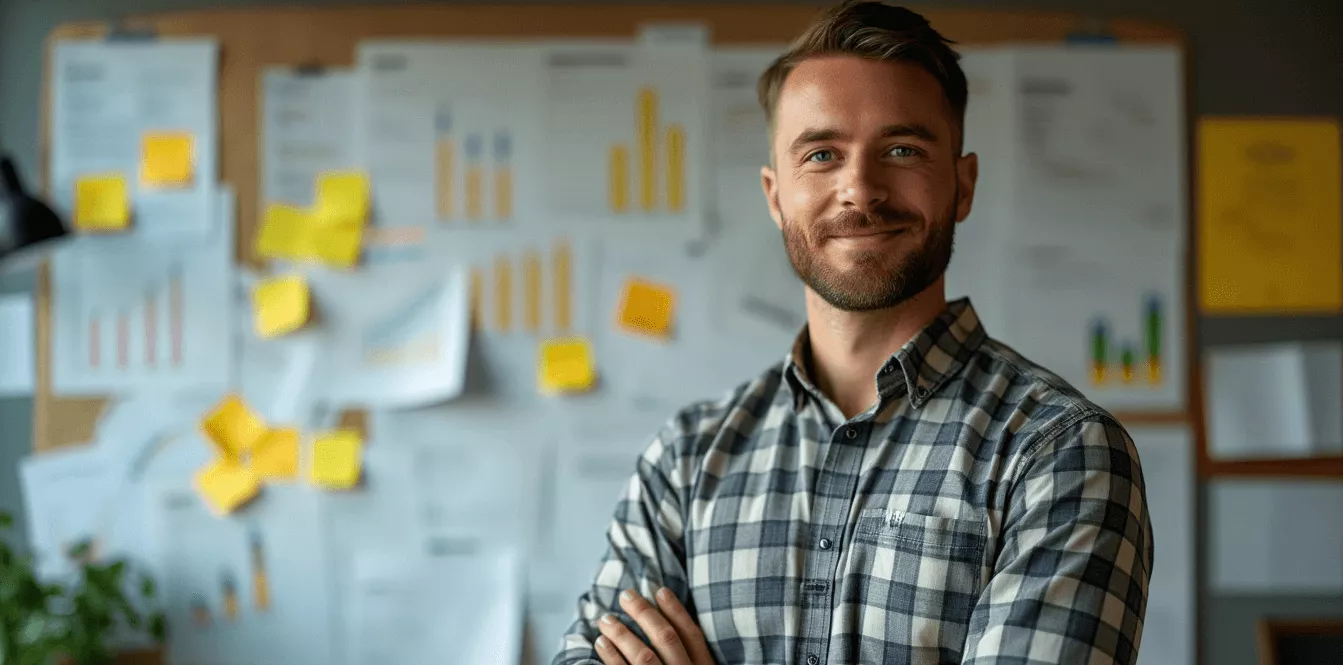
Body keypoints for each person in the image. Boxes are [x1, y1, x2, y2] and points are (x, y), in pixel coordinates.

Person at [552, 2, 1153, 664]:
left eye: (901, 149)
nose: (858, 188)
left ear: (961, 184)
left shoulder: (1058, 452)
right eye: (821, 153)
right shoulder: (687, 460)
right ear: (774, 193)